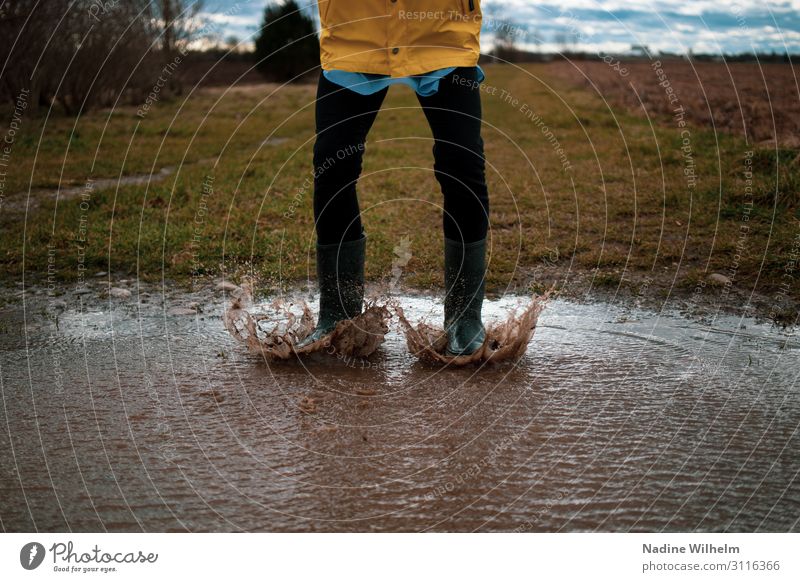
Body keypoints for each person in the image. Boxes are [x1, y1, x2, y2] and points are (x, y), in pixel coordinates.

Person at [297, 0, 489, 356]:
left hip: (442, 33)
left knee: (462, 162)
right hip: (355, 36)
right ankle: (338, 315)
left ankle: (465, 316)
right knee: (333, 165)